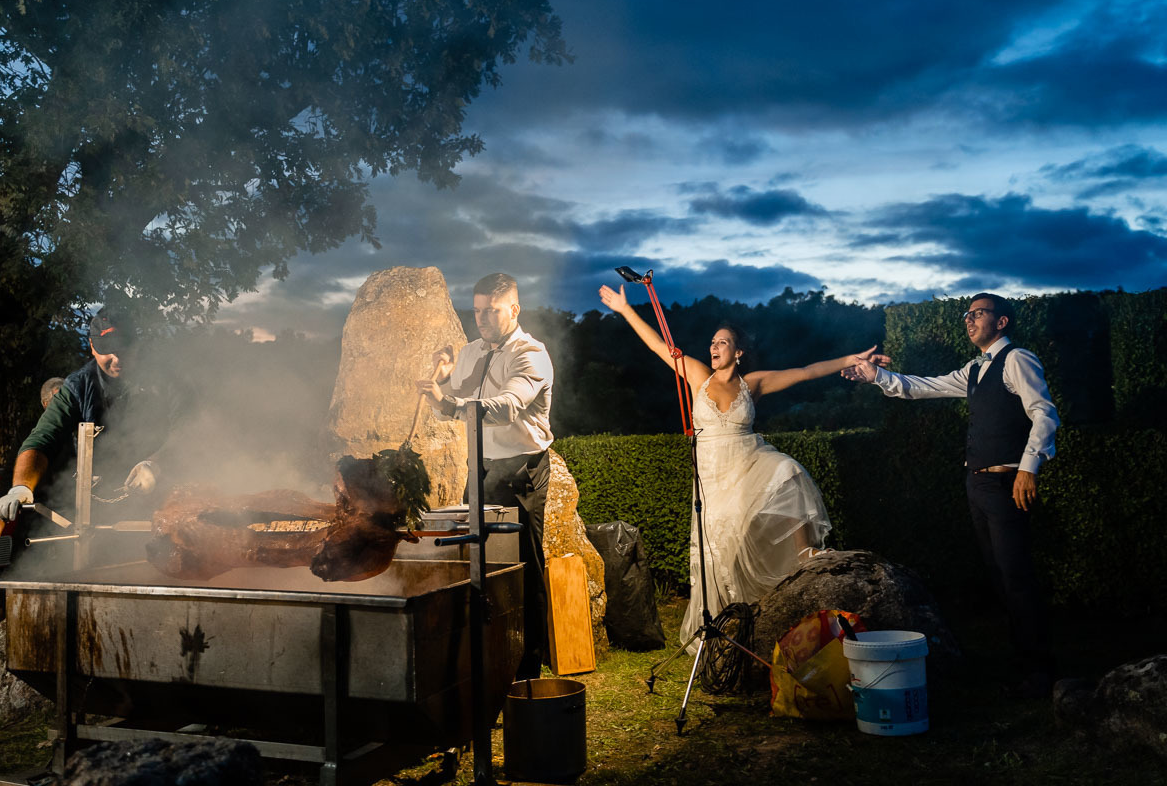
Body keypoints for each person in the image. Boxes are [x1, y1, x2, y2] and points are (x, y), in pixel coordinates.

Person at [598, 282, 888, 646]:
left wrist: (852, 360)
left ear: (738, 352)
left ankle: (804, 552)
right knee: (721, 557)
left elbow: (807, 371)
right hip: (713, 481)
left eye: (721, 342)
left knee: (788, 470)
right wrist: (625, 309)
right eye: (712, 342)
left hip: (748, 465)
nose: (713, 347)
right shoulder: (699, 377)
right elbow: (659, 345)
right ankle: (725, 632)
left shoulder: (753, 384)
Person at [841, 292, 1060, 698]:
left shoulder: (1017, 360)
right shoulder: (976, 369)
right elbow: (923, 387)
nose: (969, 320)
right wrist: (877, 377)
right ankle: (1022, 667)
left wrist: (1028, 468)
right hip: (976, 484)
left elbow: (1044, 413)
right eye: (967, 314)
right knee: (999, 577)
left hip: (1004, 482)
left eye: (979, 313)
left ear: (1002, 322)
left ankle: (1040, 672)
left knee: (1017, 578)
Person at [418, 273, 554, 680]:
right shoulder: (472, 350)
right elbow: (456, 392)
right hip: (480, 466)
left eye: (492, 311)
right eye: (477, 310)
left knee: (523, 566)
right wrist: (441, 381)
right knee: (473, 560)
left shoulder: (532, 354)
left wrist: (449, 401)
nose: (482, 319)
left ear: (513, 309)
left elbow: (504, 407)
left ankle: (528, 670)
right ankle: (484, 661)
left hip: (522, 470)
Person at [0, 309, 181, 540]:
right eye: (106, 350)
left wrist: (155, 464)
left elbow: (189, 429)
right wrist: (20, 487)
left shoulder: (165, 380)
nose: (116, 359)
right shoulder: (78, 386)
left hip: (161, 500)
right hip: (99, 508)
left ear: (137, 344)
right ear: (92, 346)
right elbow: (42, 439)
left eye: (123, 349)